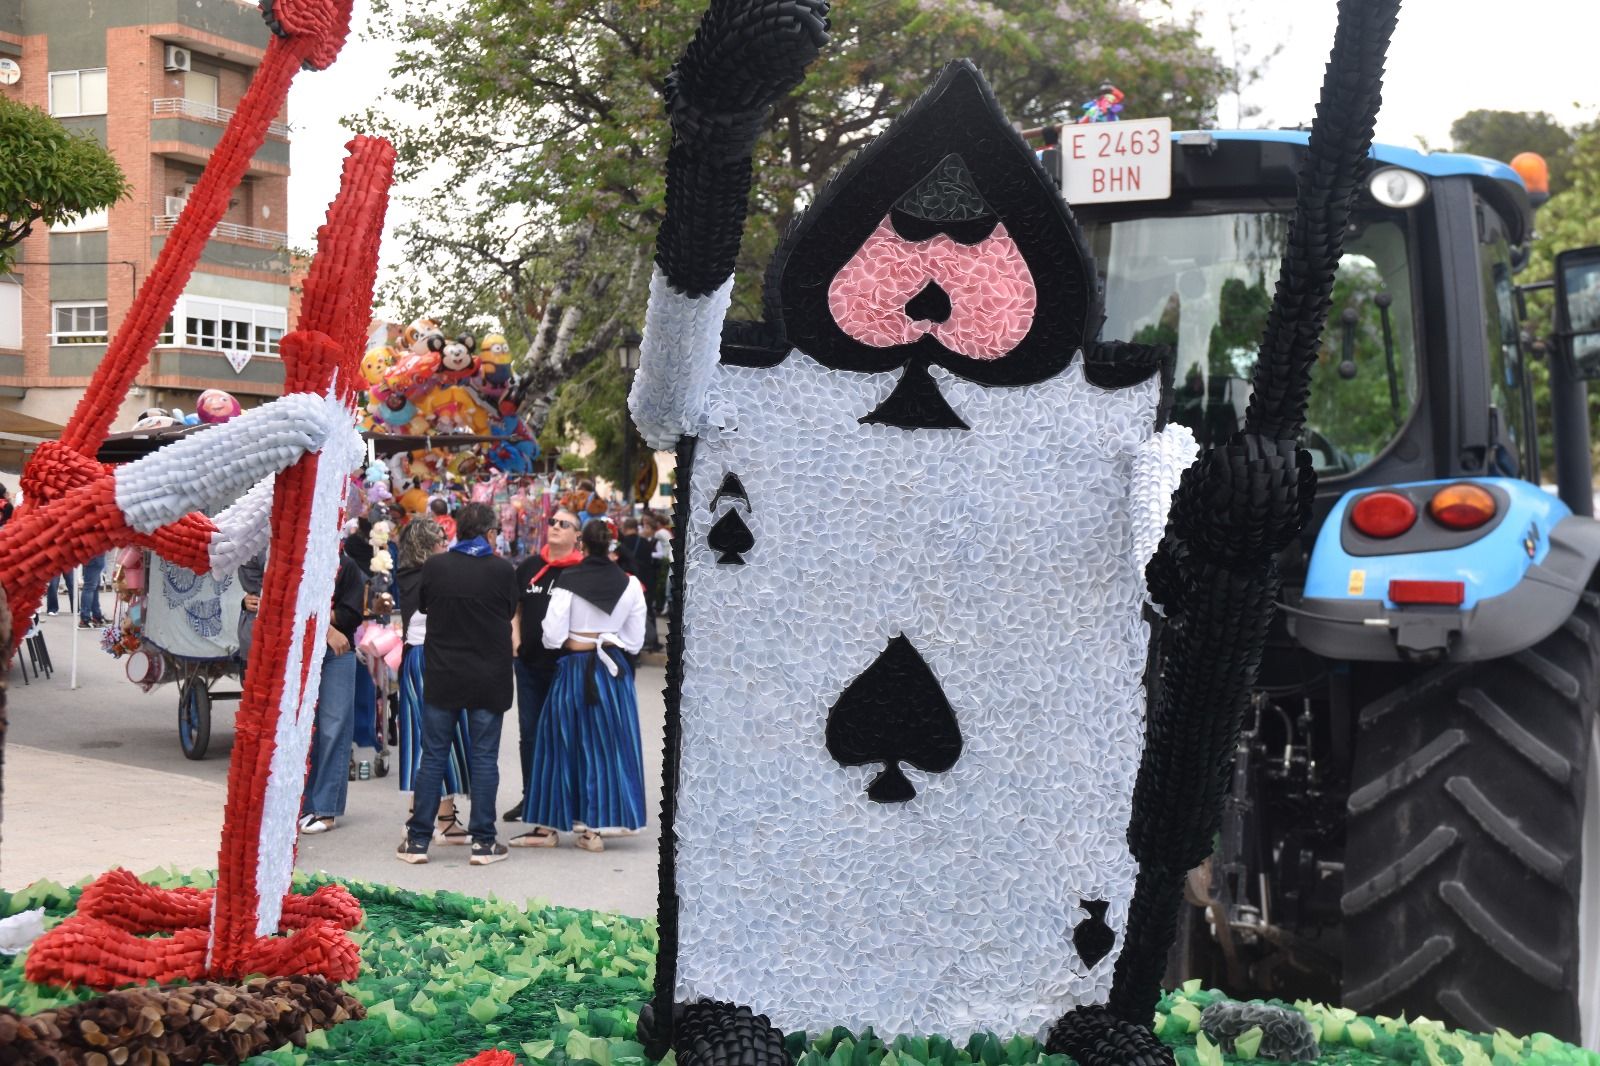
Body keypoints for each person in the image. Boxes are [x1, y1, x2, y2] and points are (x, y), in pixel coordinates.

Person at [396, 502, 517, 866]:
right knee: (484, 758)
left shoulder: (436, 566)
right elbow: (509, 611)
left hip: (444, 672)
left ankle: (418, 841)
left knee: (432, 756)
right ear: (490, 534)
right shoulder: (501, 570)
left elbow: (427, 605)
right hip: (488, 675)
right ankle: (484, 842)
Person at [517, 518, 647, 852]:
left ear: (583, 545)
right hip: (612, 670)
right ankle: (595, 829)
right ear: (612, 546)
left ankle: (549, 825)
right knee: (607, 747)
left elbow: (553, 635)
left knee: (557, 745)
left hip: (574, 667)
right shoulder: (631, 585)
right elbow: (634, 641)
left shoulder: (568, 581)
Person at [395, 516, 474, 844]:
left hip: (426, 658)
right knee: (435, 737)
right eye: (442, 541)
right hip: (432, 659)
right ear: (427, 547)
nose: (447, 545)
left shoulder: (413, 576)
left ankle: (439, 815)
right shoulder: (427, 577)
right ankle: (424, 818)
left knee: (436, 737)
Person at [505, 508, 584, 829]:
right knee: (531, 734)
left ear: (577, 536)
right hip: (528, 664)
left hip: (566, 666)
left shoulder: (581, 571)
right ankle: (532, 798)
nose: (554, 527)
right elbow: (515, 608)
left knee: (568, 734)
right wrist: (515, 640)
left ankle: (570, 800)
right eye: (552, 521)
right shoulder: (529, 566)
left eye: (564, 524)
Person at [298, 550, 367, 834]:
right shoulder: (298, 559)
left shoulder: (347, 565)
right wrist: (323, 622)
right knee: (302, 730)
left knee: (333, 728)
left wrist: (312, 615)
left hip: (337, 653)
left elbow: (351, 614)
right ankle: (304, 804)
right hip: (299, 651)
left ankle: (326, 809)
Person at [78, 550, 108, 628]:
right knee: (90, 587)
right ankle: (85, 618)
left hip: (94, 554)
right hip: (95, 553)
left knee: (93, 587)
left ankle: (96, 616)